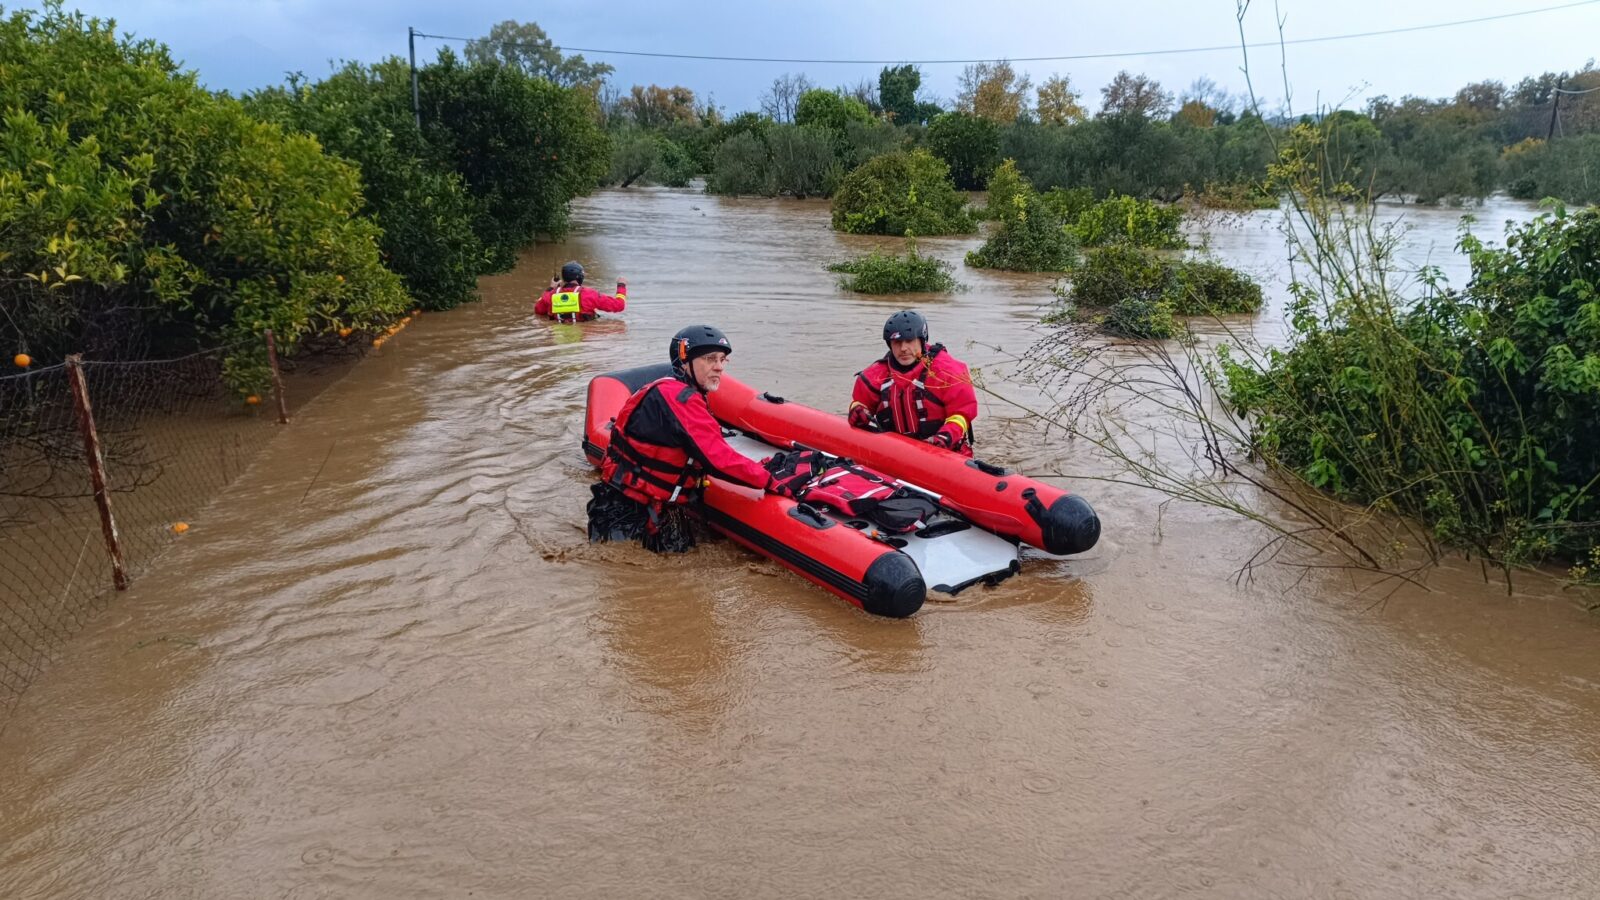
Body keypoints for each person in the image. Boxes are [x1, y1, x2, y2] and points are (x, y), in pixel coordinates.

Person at [589, 325, 791, 552]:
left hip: (637, 504)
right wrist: (769, 480)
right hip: (631, 512)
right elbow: (719, 459)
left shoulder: (671, 391)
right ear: (684, 362)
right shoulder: (678, 398)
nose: (719, 367)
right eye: (710, 359)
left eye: (723, 360)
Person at [848, 310, 977, 456]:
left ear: (922, 340)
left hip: (942, 453)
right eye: (897, 342)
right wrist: (857, 409)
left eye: (909, 341)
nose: (903, 349)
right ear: (889, 344)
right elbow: (859, 401)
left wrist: (945, 436)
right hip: (895, 453)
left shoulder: (947, 371)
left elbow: (962, 413)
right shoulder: (875, 375)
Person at [535, 261, 627, 322]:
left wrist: (550, 288)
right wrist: (621, 285)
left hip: (558, 335)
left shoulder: (551, 295)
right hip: (583, 334)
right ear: (580, 277)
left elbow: (538, 310)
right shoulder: (589, 294)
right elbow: (619, 305)